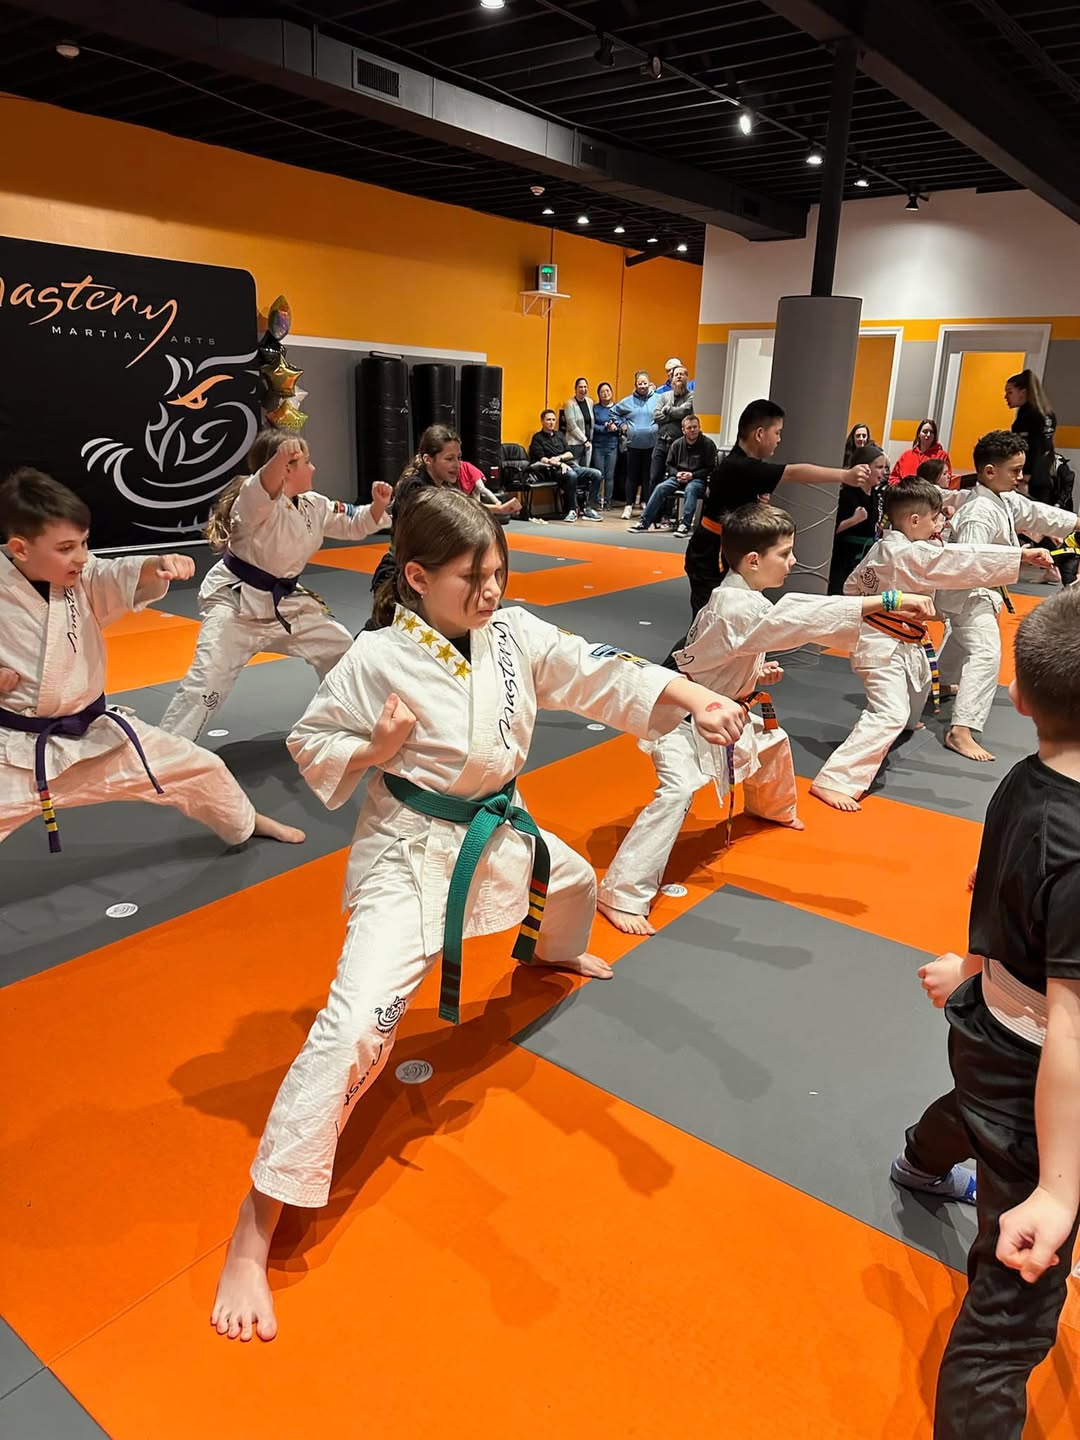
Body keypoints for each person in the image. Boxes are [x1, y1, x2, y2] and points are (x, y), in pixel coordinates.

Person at [209, 485, 746, 1342]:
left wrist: (693, 700)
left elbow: (595, 666)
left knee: (569, 884)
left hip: (498, 822)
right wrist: (373, 751)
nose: (491, 590)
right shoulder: (374, 656)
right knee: (354, 1029)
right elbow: (313, 742)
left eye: (499, 570)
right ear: (416, 578)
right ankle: (254, 1225)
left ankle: (549, 955)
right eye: (472, 577)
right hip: (412, 849)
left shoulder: (512, 634)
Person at [892, 587, 1080, 1439]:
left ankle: (921, 1163)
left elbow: (998, 885)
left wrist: (971, 967)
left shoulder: (1025, 775)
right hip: (1038, 1056)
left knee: (976, 1112)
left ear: (1016, 699)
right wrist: (1055, 1191)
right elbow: (1070, 1030)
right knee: (1011, 1317)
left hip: (993, 1025)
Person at [597, 503, 934, 935]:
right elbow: (799, 616)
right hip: (680, 715)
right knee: (677, 792)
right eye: (786, 553)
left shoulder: (742, 599)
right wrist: (887, 599)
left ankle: (772, 808)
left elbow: (738, 648)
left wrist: (757, 672)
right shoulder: (735, 605)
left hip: (722, 708)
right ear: (753, 560)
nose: (794, 562)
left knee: (773, 744)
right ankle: (621, 893)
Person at [0, 468, 304, 852]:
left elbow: (116, 573)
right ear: (20, 549)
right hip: (14, 752)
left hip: (94, 734)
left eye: (84, 543)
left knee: (201, 768)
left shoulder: (82, 575)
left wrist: (154, 565)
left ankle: (245, 821)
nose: (80, 557)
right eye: (65, 548)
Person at [810, 478, 1033, 813]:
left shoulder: (889, 547)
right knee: (890, 713)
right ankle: (835, 779)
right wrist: (1021, 557)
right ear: (914, 520)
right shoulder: (906, 552)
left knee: (919, 689)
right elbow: (960, 560)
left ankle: (908, 722)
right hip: (881, 645)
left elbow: (852, 585)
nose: (941, 524)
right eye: (936, 517)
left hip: (905, 641)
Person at [159, 432, 391, 743]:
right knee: (208, 680)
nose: (314, 468)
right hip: (235, 604)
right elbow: (262, 487)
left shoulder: (314, 505)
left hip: (284, 604)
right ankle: (167, 751)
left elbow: (353, 523)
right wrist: (280, 456)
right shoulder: (254, 504)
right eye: (306, 463)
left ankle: (348, 721)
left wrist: (376, 507)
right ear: (285, 471)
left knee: (337, 646)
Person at [938, 431, 1077, 763]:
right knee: (985, 655)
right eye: (1014, 470)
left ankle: (941, 683)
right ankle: (961, 730)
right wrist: (1023, 558)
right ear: (989, 471)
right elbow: (969, 561)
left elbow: (1034, 513)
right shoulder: (977, 512)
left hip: (982, 591)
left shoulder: (1001, 497)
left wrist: (1076, 524)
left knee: (961, 644)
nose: (1020, 477)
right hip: (968, 594)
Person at [683, 398, 873, 617]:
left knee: (723, 618)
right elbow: (793, 472)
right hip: (711, 554)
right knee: (708, 619)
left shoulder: (742, 466)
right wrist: (844, 475)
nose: (779, 439)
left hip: (723, 550)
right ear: (760, 434)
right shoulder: (740, 466)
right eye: (777, 432)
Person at [629, 413, 716, 536]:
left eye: (695, 427)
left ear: (699, 427)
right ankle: (644, 523)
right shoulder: (677, 444)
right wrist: (678, 473)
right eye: (689, 428)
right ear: (683, 430)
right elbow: (669, 465)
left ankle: (684, 525)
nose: (692, 430)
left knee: (691, 489)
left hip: (697, 479)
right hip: (677, 478)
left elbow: (711, 468)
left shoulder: (708, 444)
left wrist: (692, 475)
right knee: (660, 487)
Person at [826, 444, 889, 594]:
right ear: (866, 468)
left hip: (865, 558)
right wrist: (853, 520)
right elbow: (829, 531)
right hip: (843, 560)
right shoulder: (847, 495)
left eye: (884, 468)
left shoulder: (875, 496)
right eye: (879, 467)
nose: (883, 472)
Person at [527, 408, 603, 522]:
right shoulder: (537, 438)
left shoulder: (560, 435)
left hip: (569, 466)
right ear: (542, 421)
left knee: (597, 474)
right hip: (552, 471)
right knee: (571, 475)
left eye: (553, 419)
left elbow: (569, 453)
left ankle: (589, 508)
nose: (551, 422)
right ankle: (572, 510)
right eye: (548, 420)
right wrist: (559, 464)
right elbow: (542, 459)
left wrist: (559, 458)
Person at [1006, 369, 1057, 505]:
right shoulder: (1047, 413)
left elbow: (1032, 447)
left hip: (1031, 479)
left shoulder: (1028, 415)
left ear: (1023, 392)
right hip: (1044, 475)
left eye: (1010, 392)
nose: (1006, 397)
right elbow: (1047, 446)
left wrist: (1025, 477)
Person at [613, 372, 660, 519]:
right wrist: (622, 425)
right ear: (635, 385)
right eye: (640, 383)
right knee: (631, 476)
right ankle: (628, 506)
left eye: (645, 383)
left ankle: (646, 505)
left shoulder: (659, 399)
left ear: (649, 383)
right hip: (633, 445)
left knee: (648, 477)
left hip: (652, 445)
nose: (642, 386)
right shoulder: (627, 401)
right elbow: (612, 412)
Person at [649, 366, 695, 492]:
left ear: (686, 378)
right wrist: (674, 417)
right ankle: (652, 509)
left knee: (674, 478)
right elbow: (656, 416)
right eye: (676, 375)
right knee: (654, 476)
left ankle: (668, 511)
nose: (679, 376)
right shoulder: (663, 396)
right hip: (661, 441)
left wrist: (667, 410)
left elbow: (684, 412)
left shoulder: (691, 396)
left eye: (682, 374)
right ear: (671, 378)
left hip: (679, 444)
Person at [890, 419, 953, 485]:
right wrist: (901, 488)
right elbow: (894, 477)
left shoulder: (942, 455)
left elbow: (948, 479)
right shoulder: (906, 455)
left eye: (931, 432)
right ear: (918, 434)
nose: (928, 435)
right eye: (925, 431)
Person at [591, 381, 620, 507]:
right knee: (599, 474)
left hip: (612, 445)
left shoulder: (617, 408)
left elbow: (623, 421)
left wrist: (615, 426)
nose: (605, 393)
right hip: (598, 445)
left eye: (607, 391)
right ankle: (597, 501)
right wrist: (604, 428)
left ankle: (608, 501)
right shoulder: (596, 408)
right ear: (599, 394)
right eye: (602, 391)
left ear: (611, 392)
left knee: (610, 475)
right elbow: (592, 426)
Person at [563, 377, 594, 469]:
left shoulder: (590, 402)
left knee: (586, 470)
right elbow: (571, 425)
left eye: (585, 387)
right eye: (580, 387)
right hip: (574, 444)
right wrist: (584, 439)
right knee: (575, 470)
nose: (583, 389)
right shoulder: (569, 404)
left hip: (588, 444)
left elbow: (590, 421)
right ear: (575, 389)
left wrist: (588, 441)